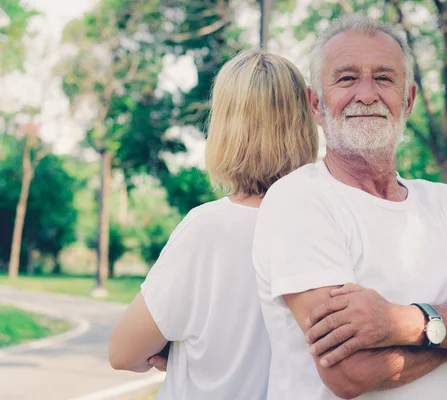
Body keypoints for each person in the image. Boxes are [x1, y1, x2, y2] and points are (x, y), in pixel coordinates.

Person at [252, 13, 447, 400]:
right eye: (346, 78)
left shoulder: (438, 201)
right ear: (315, 104)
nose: (368, 94)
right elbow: (350, 374)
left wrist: (404, 322)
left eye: (384, 77)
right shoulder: (300, 200)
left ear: (408, 100)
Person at [108, 49, 319, 399]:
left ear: (224, 127)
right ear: (303, 126)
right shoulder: (325, 224)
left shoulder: (207, 228)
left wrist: (171, 349)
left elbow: (122, 352)